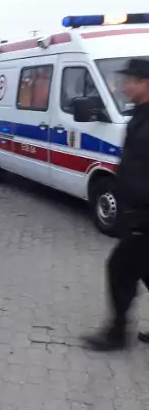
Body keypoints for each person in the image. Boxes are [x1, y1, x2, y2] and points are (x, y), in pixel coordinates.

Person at [82, 58, 149, 352]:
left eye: (130, 80)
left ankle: (116, 334)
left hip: (145, 215)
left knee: (119, 268)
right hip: (136, 211)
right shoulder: (140, 115)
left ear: (145, 83)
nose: (124, 86)